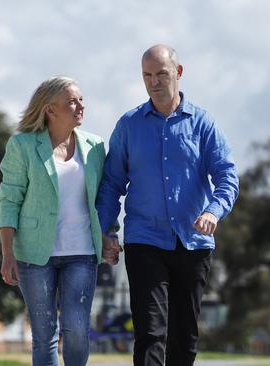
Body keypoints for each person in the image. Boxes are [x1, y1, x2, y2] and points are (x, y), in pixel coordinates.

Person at [96, 45, 239, 366]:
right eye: (147, 75)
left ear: (178, 72)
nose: (154, 82)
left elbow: (228, 176)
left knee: (183, 337)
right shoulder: (129, 126)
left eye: (161, 73)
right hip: (145, 241)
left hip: (193, 243)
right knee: (150, 331)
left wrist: (213, 211)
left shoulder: (203, 125)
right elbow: (111, 185)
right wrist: (106, 230)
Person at [0, 76, 114, 365]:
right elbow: (9, 199)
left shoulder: (96, 147)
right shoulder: (22, 146)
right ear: (50, 109)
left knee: (76, 329)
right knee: (44, 332)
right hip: (35, 255)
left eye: (81, 100)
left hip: (82, 252)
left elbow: (105, 196)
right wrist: (7, 253)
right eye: (72, 101)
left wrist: (109, 233)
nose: (80, 106)